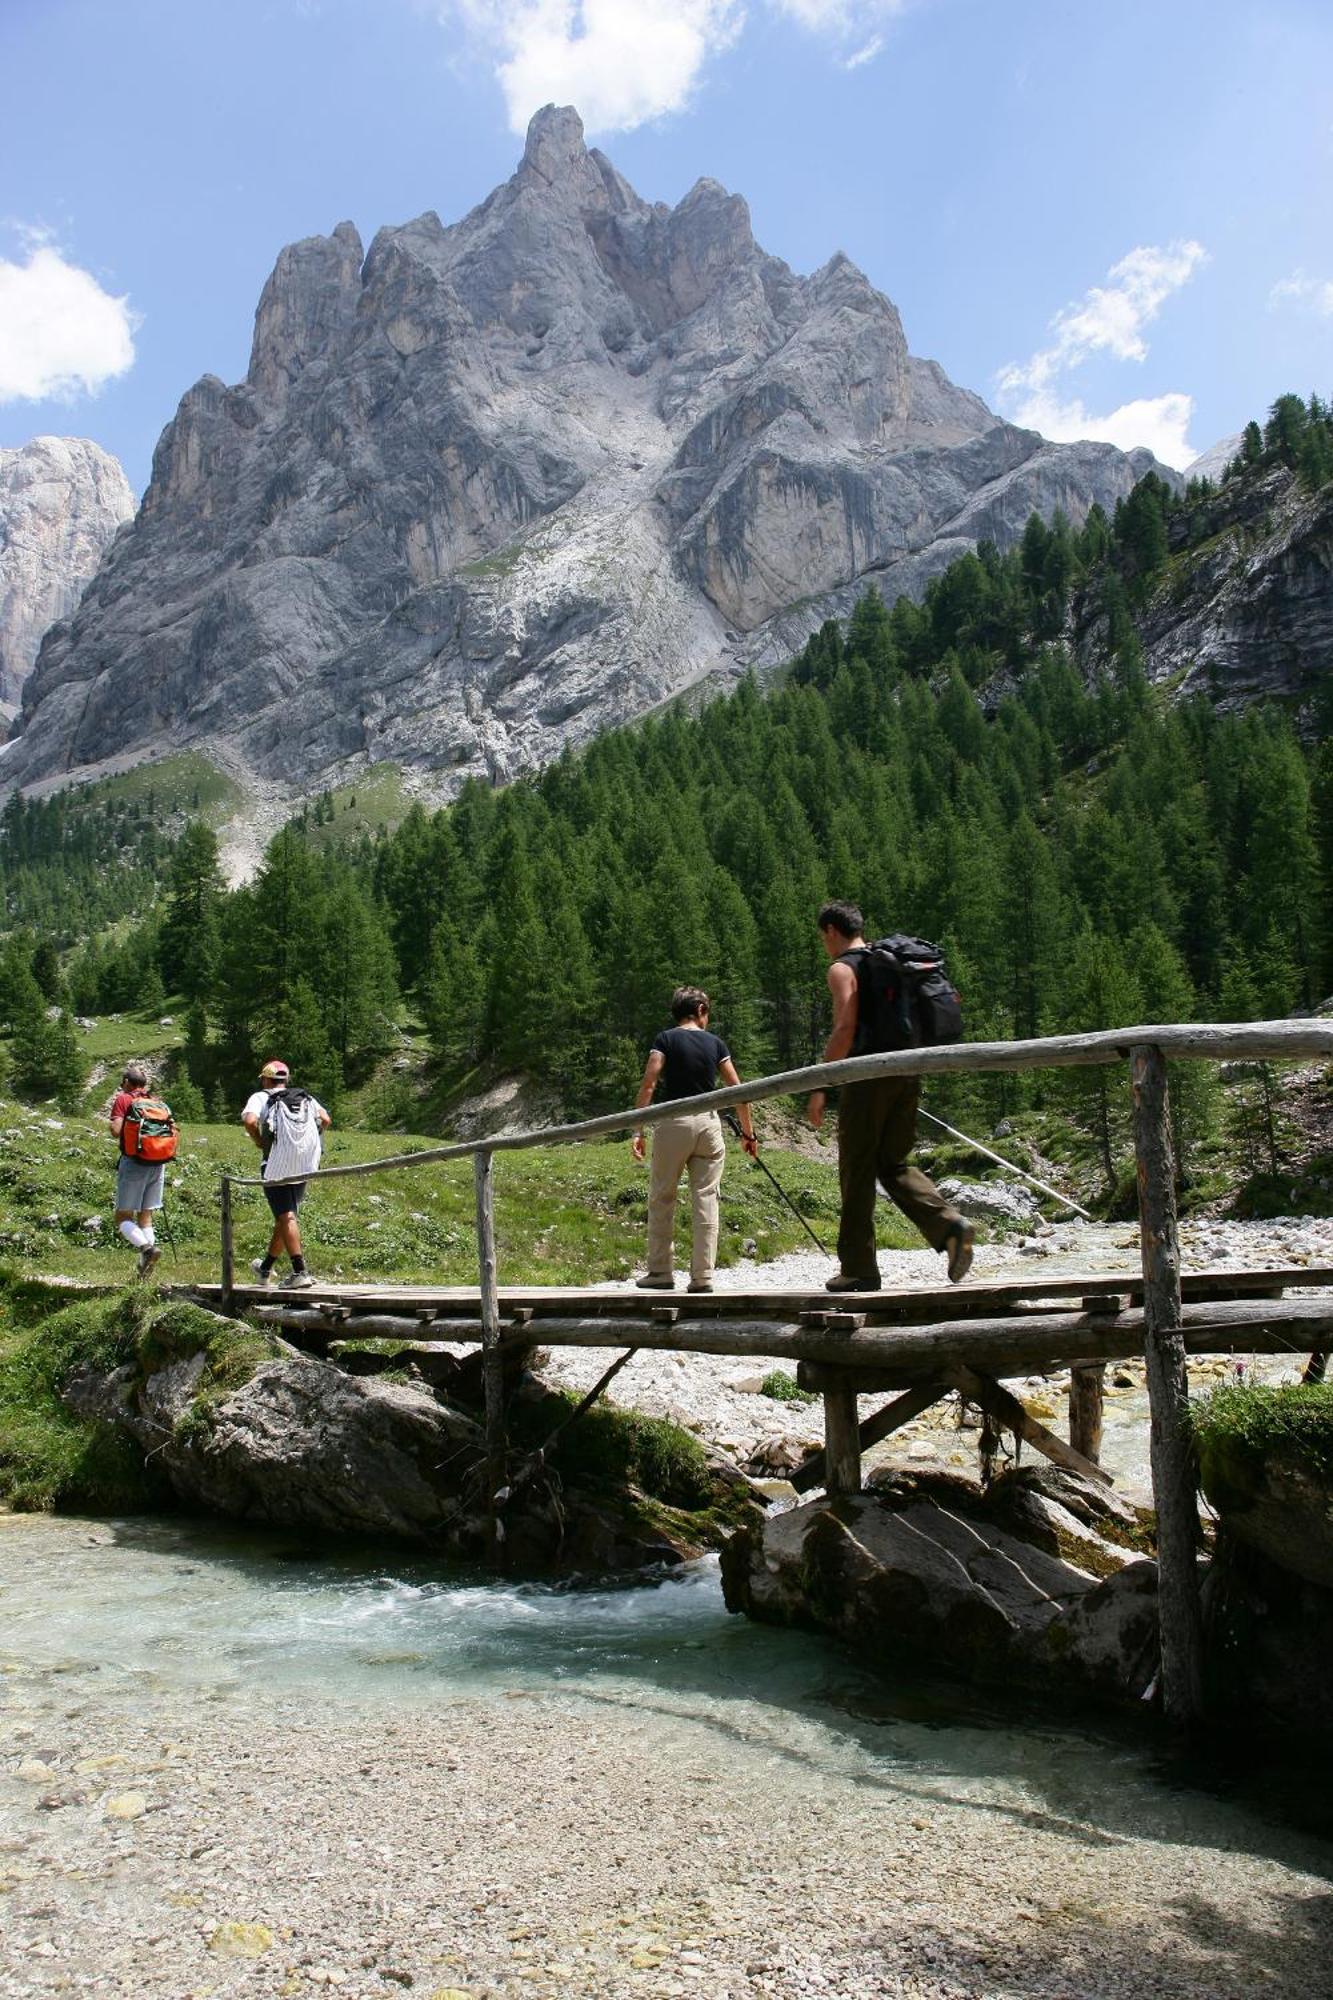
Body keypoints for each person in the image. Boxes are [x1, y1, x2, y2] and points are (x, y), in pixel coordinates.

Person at [808, 901, 974, 1292]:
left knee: (856, 1169)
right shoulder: (892, 964)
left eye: (823, 937)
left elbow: (845, 1028)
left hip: (868, 1077)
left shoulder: (842, 969)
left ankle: (859, 1269)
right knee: (892, 1162)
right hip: (908, 1070)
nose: (824, 945)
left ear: (831, 930)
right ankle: (949, 1224)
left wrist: (820, 1082)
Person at [631, 986, 757, 1293]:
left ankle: (660, 1272)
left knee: (663, 1196)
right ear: (700, 1009)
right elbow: (738, 1090)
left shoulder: (665, 1039)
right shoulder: (715, 1043)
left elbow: (649, 1082)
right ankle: (703, 1277)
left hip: (673, 1122)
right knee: (706, 1198)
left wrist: (638, 1129)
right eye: (708, 1011)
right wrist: (748, 1134)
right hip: (709, 1125)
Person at [241, 1060, 331, 1290]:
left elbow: (250, 1121)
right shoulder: (304, 1097)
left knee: (286, 1216)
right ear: (286, 1080)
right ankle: (265, 1269)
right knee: (285, 1216)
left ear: (265, 1079)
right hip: (303, 1164)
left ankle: (300, 1271)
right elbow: (326, 1119)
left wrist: (260, 1141)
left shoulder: (260, 1097)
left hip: (275, 1165)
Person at [108, 1062, 170, 1279]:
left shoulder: (124, 1099)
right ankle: (146, 1270)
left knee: (122, 1217)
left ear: (126, 1082)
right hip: (157, 1163)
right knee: (146, 1218)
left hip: (134, 1162)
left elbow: (116, 1131)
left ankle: (146, 1249)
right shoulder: (155, 1102)